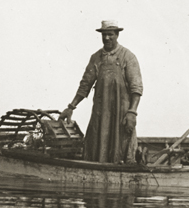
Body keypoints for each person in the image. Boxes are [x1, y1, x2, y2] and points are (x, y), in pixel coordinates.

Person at [61, 21, 143, 163]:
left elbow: (136, 88)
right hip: (100, 113)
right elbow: (85, 85)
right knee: (96, 145)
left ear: (117, 35)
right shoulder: (96, 58)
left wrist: (132, 112)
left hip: (122, 114)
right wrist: (71, 107)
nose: (106, 38)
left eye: (110, 35)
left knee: (123, 148)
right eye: (104, 35)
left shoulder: (128, 57)